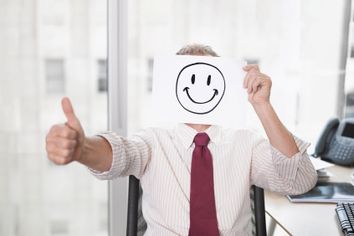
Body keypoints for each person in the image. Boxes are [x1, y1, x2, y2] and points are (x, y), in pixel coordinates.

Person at [45, 44, 317, 236]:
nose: (200, 87)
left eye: (209, 75)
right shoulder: (152, 141)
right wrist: (83, 149)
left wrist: (263, 106)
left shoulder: (246, 142)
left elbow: (299, 180)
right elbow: (120, 154)